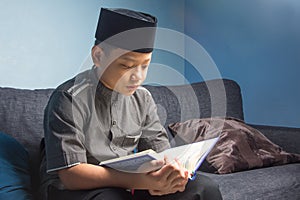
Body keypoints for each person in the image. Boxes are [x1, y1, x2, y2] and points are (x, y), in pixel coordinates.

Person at [39, 7, 223, 200]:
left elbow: (161, 154)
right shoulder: (68, 98)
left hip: (127, 184)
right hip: (76, 189)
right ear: (98, 56)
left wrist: (172, 176)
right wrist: (140, 182)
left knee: (204, 187)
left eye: (145, 66)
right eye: (126, 66)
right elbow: (70, 176)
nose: (138, 77)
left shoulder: (142, 98)